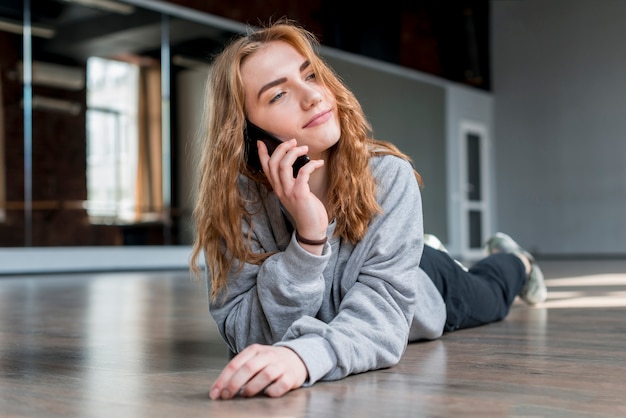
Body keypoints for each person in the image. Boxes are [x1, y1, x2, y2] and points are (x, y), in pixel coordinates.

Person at [190, 18, 547, 401]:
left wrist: (305, 356)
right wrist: (308, 242)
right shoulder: (238, 207)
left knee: (492, 295)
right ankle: (416, 245)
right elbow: (250, 336)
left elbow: (381, 322)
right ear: (245, 133)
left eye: (310, 75)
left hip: (425, 283)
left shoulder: (389, 177)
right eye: (277, 95)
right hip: (379, 258)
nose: (312, 97)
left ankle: (517, 260)